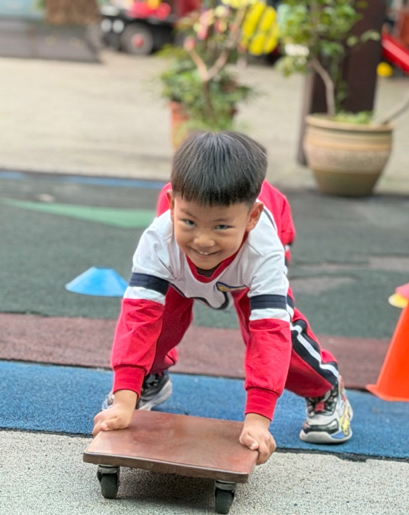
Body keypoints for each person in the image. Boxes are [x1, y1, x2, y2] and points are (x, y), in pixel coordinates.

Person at [92, 131, 351, 464]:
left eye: (220, 227)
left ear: (252, 217)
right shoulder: (160, 239)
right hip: (180, 264)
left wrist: (257, 422)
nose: (203, 240)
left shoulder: (263, 248)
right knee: (157, 317)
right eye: (189, 222)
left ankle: (325, 387)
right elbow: (139, 316)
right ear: (172, 205)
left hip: (246, 271)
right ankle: (149, 378)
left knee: (279, 334)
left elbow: (269, 334)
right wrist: (123, 400)